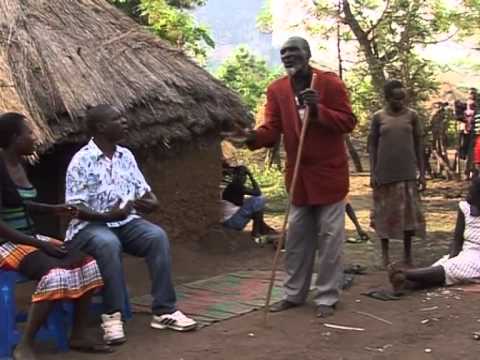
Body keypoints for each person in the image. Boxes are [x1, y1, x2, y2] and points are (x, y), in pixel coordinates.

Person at [227, 36, 356, 317]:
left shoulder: (329, 83)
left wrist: (319, 110)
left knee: (330, 239)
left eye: (294, 51)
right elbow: (272, 129)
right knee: (297, 239)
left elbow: (348, 121)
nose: (288, 56)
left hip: (329, 176)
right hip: (299, 178)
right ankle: (294, 294)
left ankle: (326, 298)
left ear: (307, 54)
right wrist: (250, 137)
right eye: (284, 52)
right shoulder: (277, 89)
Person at [64, 105, 196, 345]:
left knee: (156, 236)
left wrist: (151, 202)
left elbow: (144, 192)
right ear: (101, 127)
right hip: (89, 228)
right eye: (117, 119)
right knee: (107, 243)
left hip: (125, 222)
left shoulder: (126, 156)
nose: (125, 121)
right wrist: (108, 216)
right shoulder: (81, 160)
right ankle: (112, 315)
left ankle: (164, 310)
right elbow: (74, 209)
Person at [0, 112, 110, 360]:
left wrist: (52, 209)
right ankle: (24, 344)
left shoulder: (20, 164)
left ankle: (79, 334)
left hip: (27, 237)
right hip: (5, 242)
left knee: (88, 263)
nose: (34, 137)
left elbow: (19, 203)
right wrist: (39, 244)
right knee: (56, 273)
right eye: (29, 133)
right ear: (15, 138)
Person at [369, 80, 426, 268]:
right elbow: (373, 145)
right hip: (384, 174)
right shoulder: (378, 117)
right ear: (387, 98)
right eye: (396, 98)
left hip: (407, 173)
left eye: (403, 98)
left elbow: (419, 144)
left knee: (408, 217)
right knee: (383, 215)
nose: (400, 101)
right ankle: (385, 254)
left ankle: (407, 255)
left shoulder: (412, 116)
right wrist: (373, 172)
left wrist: (422, 173)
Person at [389, 177, 480, 293]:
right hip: (466, 252)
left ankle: (404, 274)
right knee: (444, 265)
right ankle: (407, 283)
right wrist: (452, 258)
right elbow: (457, 240)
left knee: (453, 268)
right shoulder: (465, 207)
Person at [221, 161, 276, 241]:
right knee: (259, 200)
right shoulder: (236, 186)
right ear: (235, 176)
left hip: (230, 221)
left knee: (254, 207)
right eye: (241, 175)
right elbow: (258, 193)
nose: (243, 178)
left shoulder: (233, 186)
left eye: (244, 175)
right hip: (232, 222)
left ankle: (263, 229)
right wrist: (251, 176)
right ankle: (256, 233)